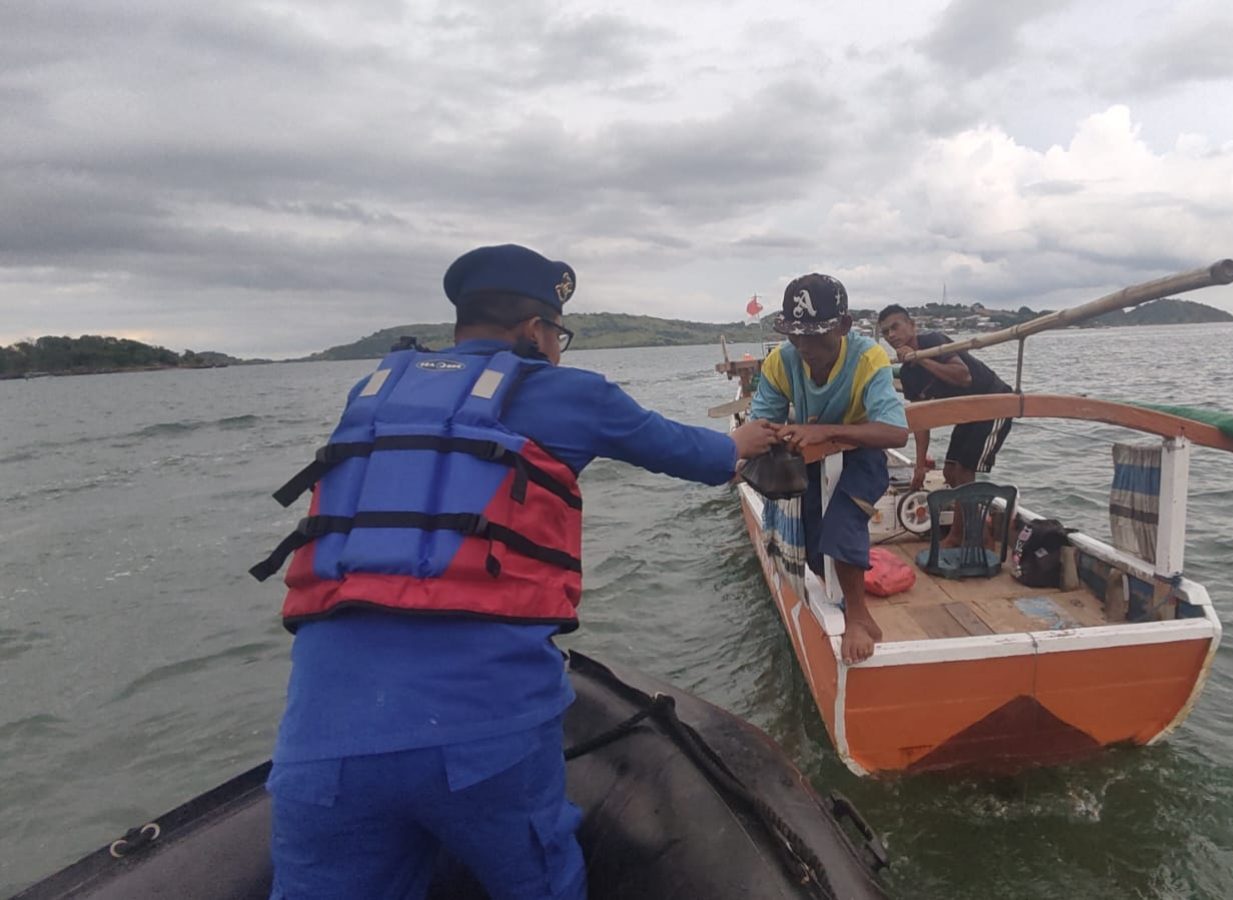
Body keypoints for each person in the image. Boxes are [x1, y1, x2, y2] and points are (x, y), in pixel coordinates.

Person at [250, 244, 779, 899]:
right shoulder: (569, 392)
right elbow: (702, 457)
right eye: (559, 333)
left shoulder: (374, 391)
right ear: (537, 331)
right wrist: (747, 439)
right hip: (482, 736)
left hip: (320, 738)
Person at [749, 274, 910, 664]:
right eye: (795, 335)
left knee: (843, 520)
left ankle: (858, 616)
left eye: (816, 335)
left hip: (863, 452)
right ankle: (832, 598)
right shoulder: (780, 362)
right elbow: (760, 424)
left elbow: (895, 432)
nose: (804, 346)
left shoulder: (868, 356)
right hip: (810, 458)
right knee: (814, 536)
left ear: (844, 326)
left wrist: (825, 430)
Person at [876, 304, 1013, 547]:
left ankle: (964, 536)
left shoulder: (933, 340)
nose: (891, 336)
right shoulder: (908, 375)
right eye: (885, 332)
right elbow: (922, 420)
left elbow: (963, 376)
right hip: (968, 412)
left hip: (994, 401)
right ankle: (979, 534)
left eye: (895, 327)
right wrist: (919, 466)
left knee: (965, 471)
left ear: (912, 325)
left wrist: (921, 358)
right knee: (951, 472)